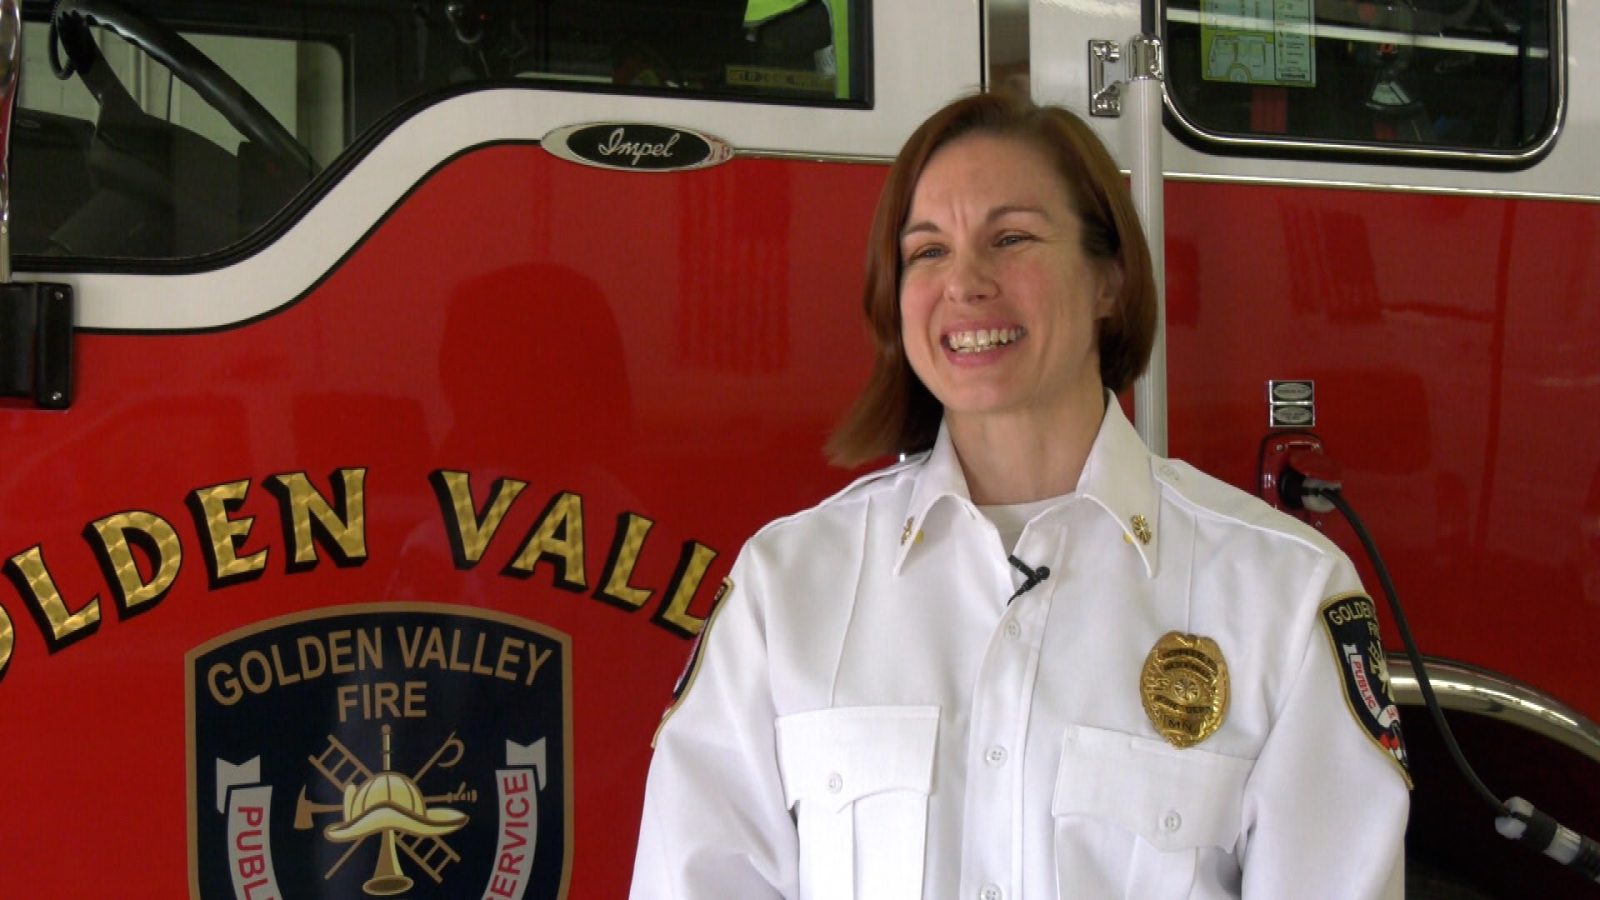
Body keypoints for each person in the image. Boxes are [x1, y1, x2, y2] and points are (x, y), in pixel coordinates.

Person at [630, 90, 1410, 899]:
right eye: (928, 251)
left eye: (1010, 239)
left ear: (1109, 279)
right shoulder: (786, 587)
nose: (964, 283)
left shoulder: (1285, 595)